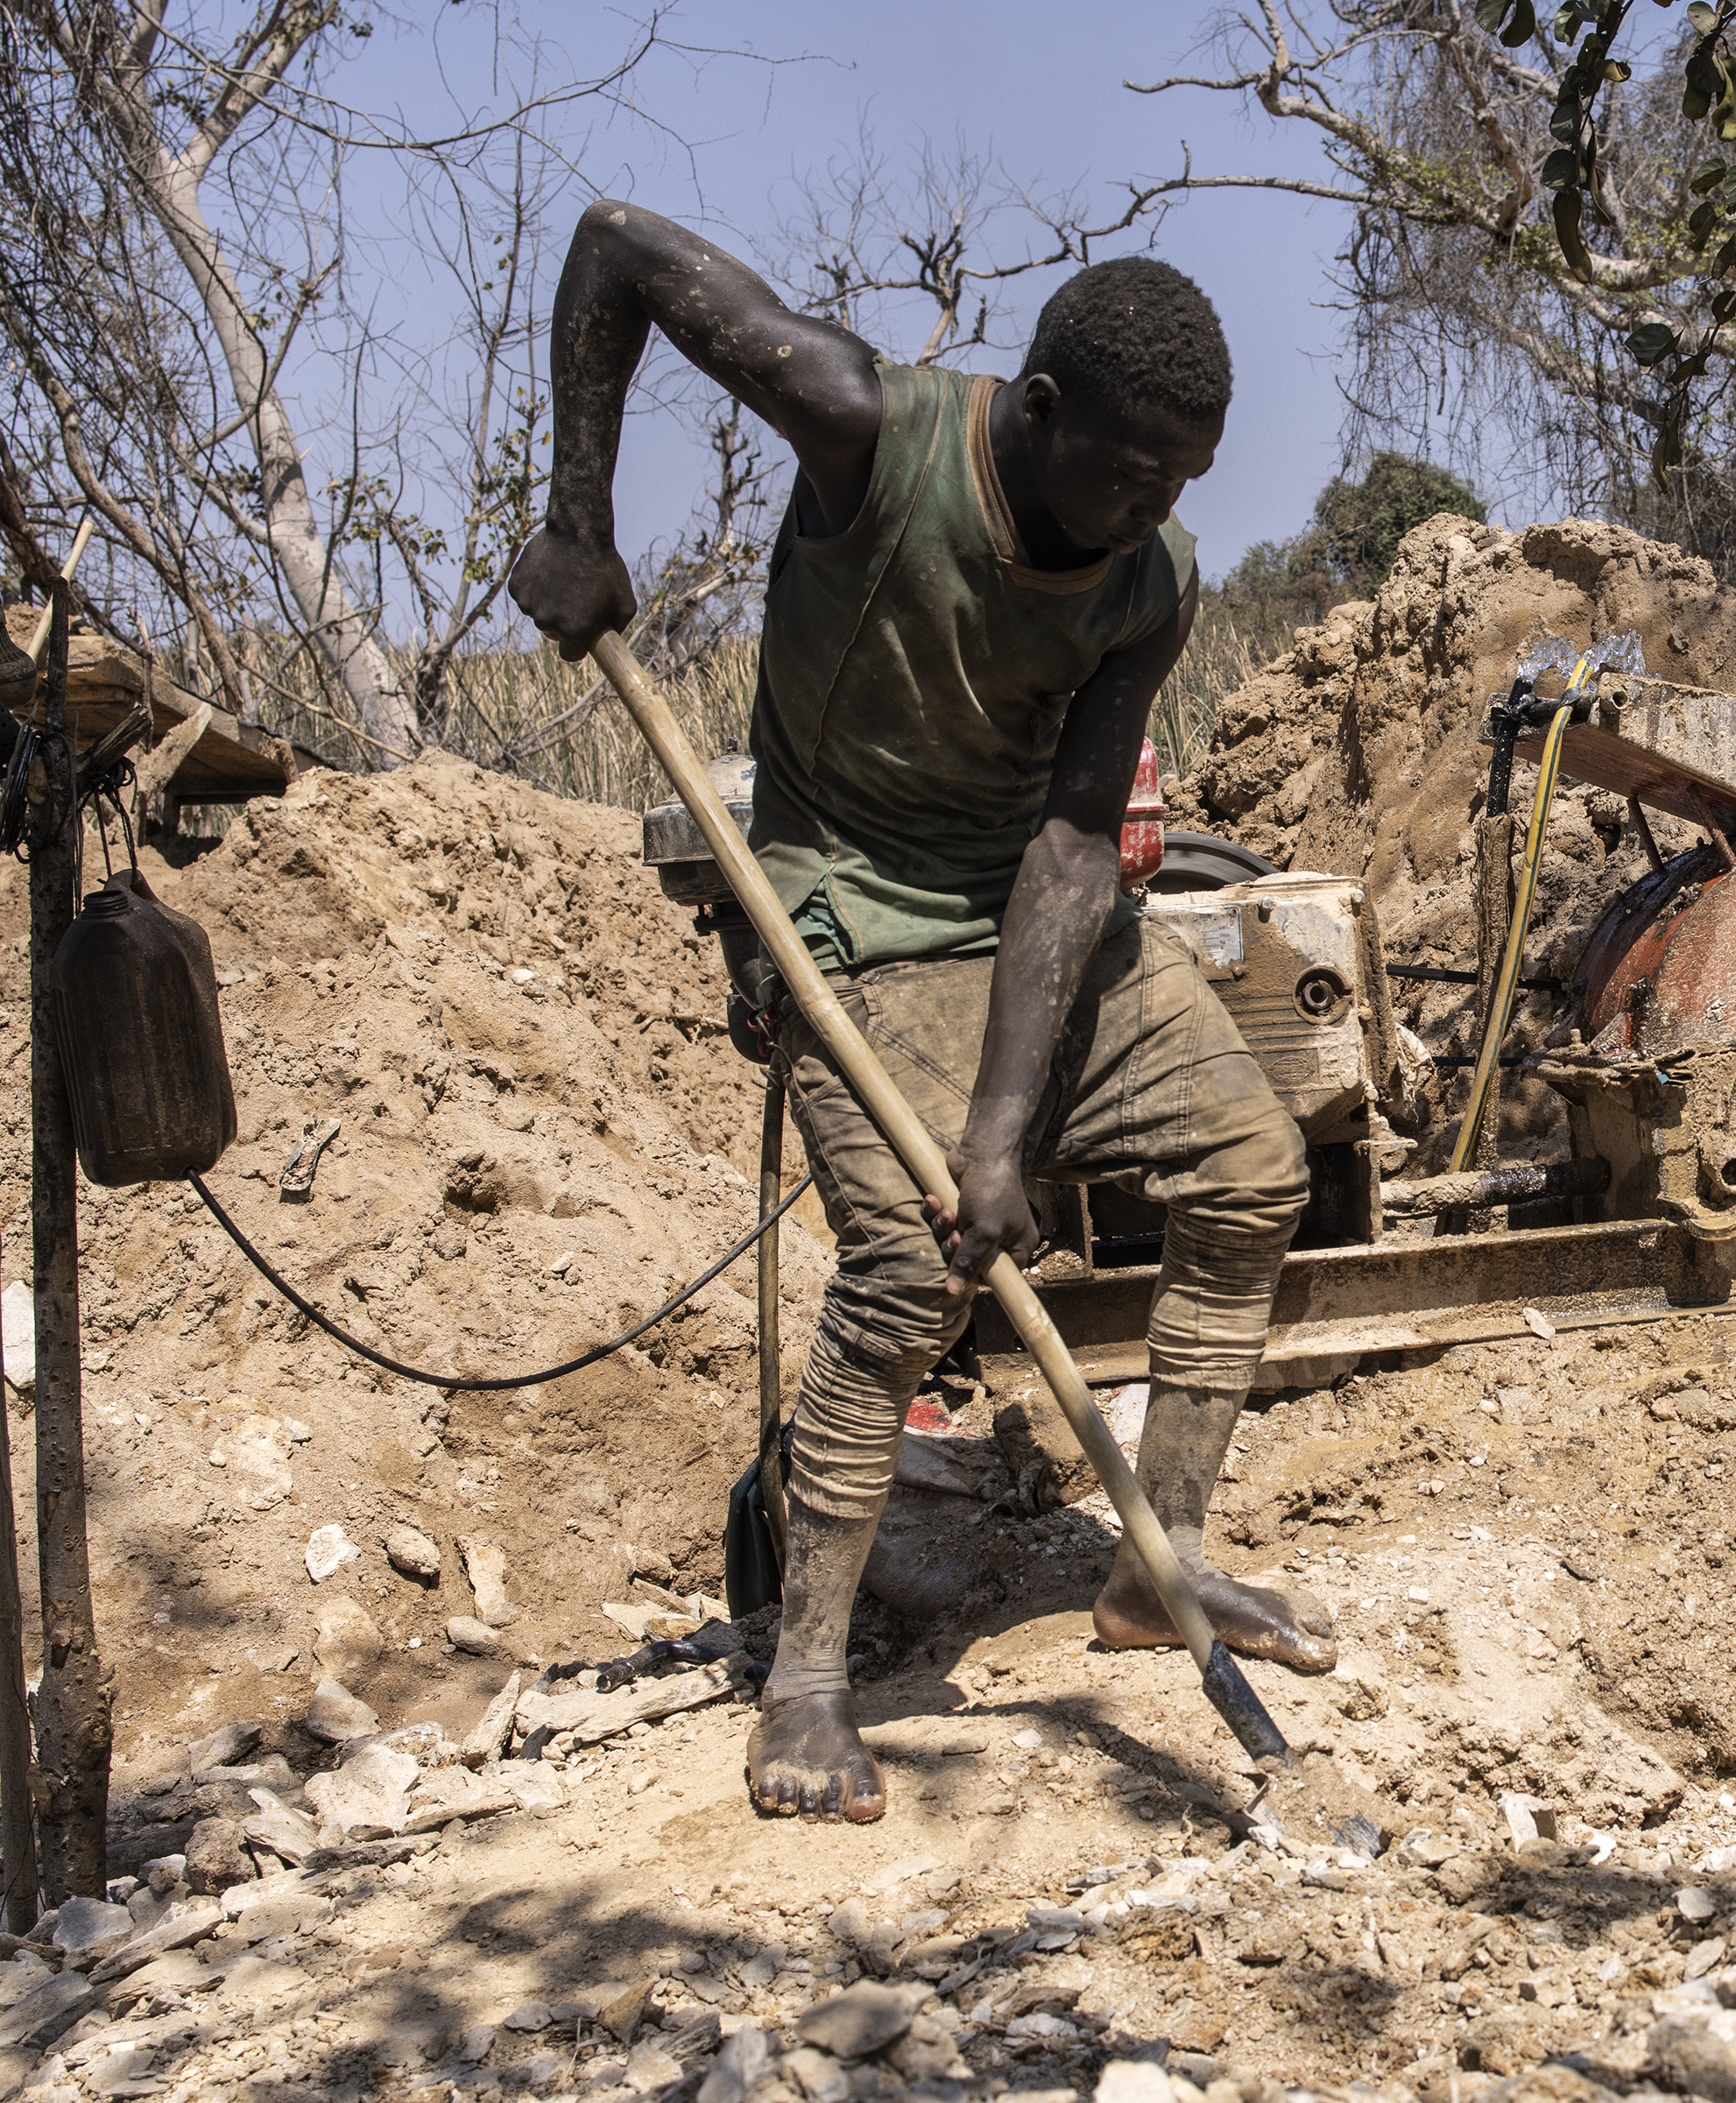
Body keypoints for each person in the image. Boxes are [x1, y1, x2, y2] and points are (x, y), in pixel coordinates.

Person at [509, 205, 1336, 1824]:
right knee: (903, 1266)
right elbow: (612, 249)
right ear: (1034, 412)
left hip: (1025, 916)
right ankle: (807, 1677)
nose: (1159, 511)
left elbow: (1072, 842)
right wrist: (576, 520)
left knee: (1252, 1165)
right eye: (1129, 473)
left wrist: (1006, 1129)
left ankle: (1156, 1570)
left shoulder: (1146, 583)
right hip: (848, 914)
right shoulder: (868, 428)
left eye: (1183, 483)